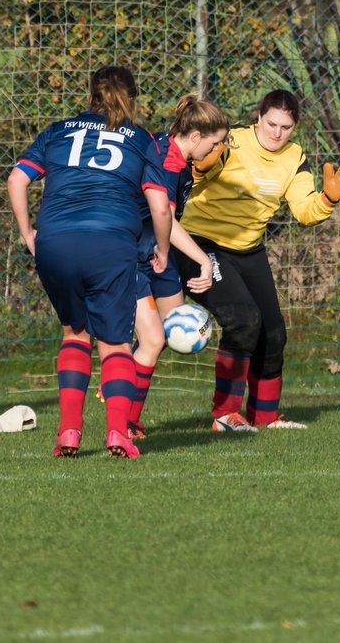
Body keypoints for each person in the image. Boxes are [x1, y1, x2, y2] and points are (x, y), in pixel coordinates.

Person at [7, 65, 172, 459]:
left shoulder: (58, 130)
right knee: (115, 342)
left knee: (74, 332)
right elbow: (160, 207)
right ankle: (118, 433)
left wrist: (28, 232)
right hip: (109, 242)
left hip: (55, 241)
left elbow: (17, 179)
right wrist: (162, 250)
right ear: (131, 98)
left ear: (90, 96)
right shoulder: (141, 139)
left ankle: (68, 433)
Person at [177, 89, 340, 431]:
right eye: (271, 123)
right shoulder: (230, 141)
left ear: (295, 127)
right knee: (243, 319)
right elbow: (191, 175)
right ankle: (224, 415)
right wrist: (202, 171)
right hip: (201, 244)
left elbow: (305, 211)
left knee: (273, 333)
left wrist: (327, 199)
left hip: (248, 249)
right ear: (258, 117)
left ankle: (265, 417)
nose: (277, 133)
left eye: (286, 127)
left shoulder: (293, 157)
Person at [126, 95, 231, 439]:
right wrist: (202, 259)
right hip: (138, 253)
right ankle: (126, 417)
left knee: (171, 332)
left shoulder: (172, 151)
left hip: (160, 252)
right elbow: (166, 216)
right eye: (215, 143)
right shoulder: (169, 162)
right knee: (153, 340)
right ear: (197, 135)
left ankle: (126, 378)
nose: (215, 151)